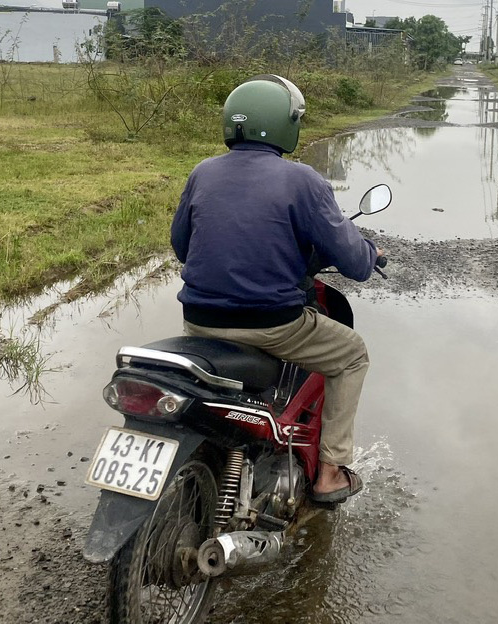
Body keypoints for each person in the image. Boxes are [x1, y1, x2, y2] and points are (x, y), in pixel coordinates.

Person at [170, 74, 380, 504]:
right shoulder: (302, 180)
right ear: (286, 124)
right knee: (352, 354)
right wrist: (371, 253)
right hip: (272, 326)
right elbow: (356, 263)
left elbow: (181, 245)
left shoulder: (202, 172)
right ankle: (330, 473)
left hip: (199, 323)